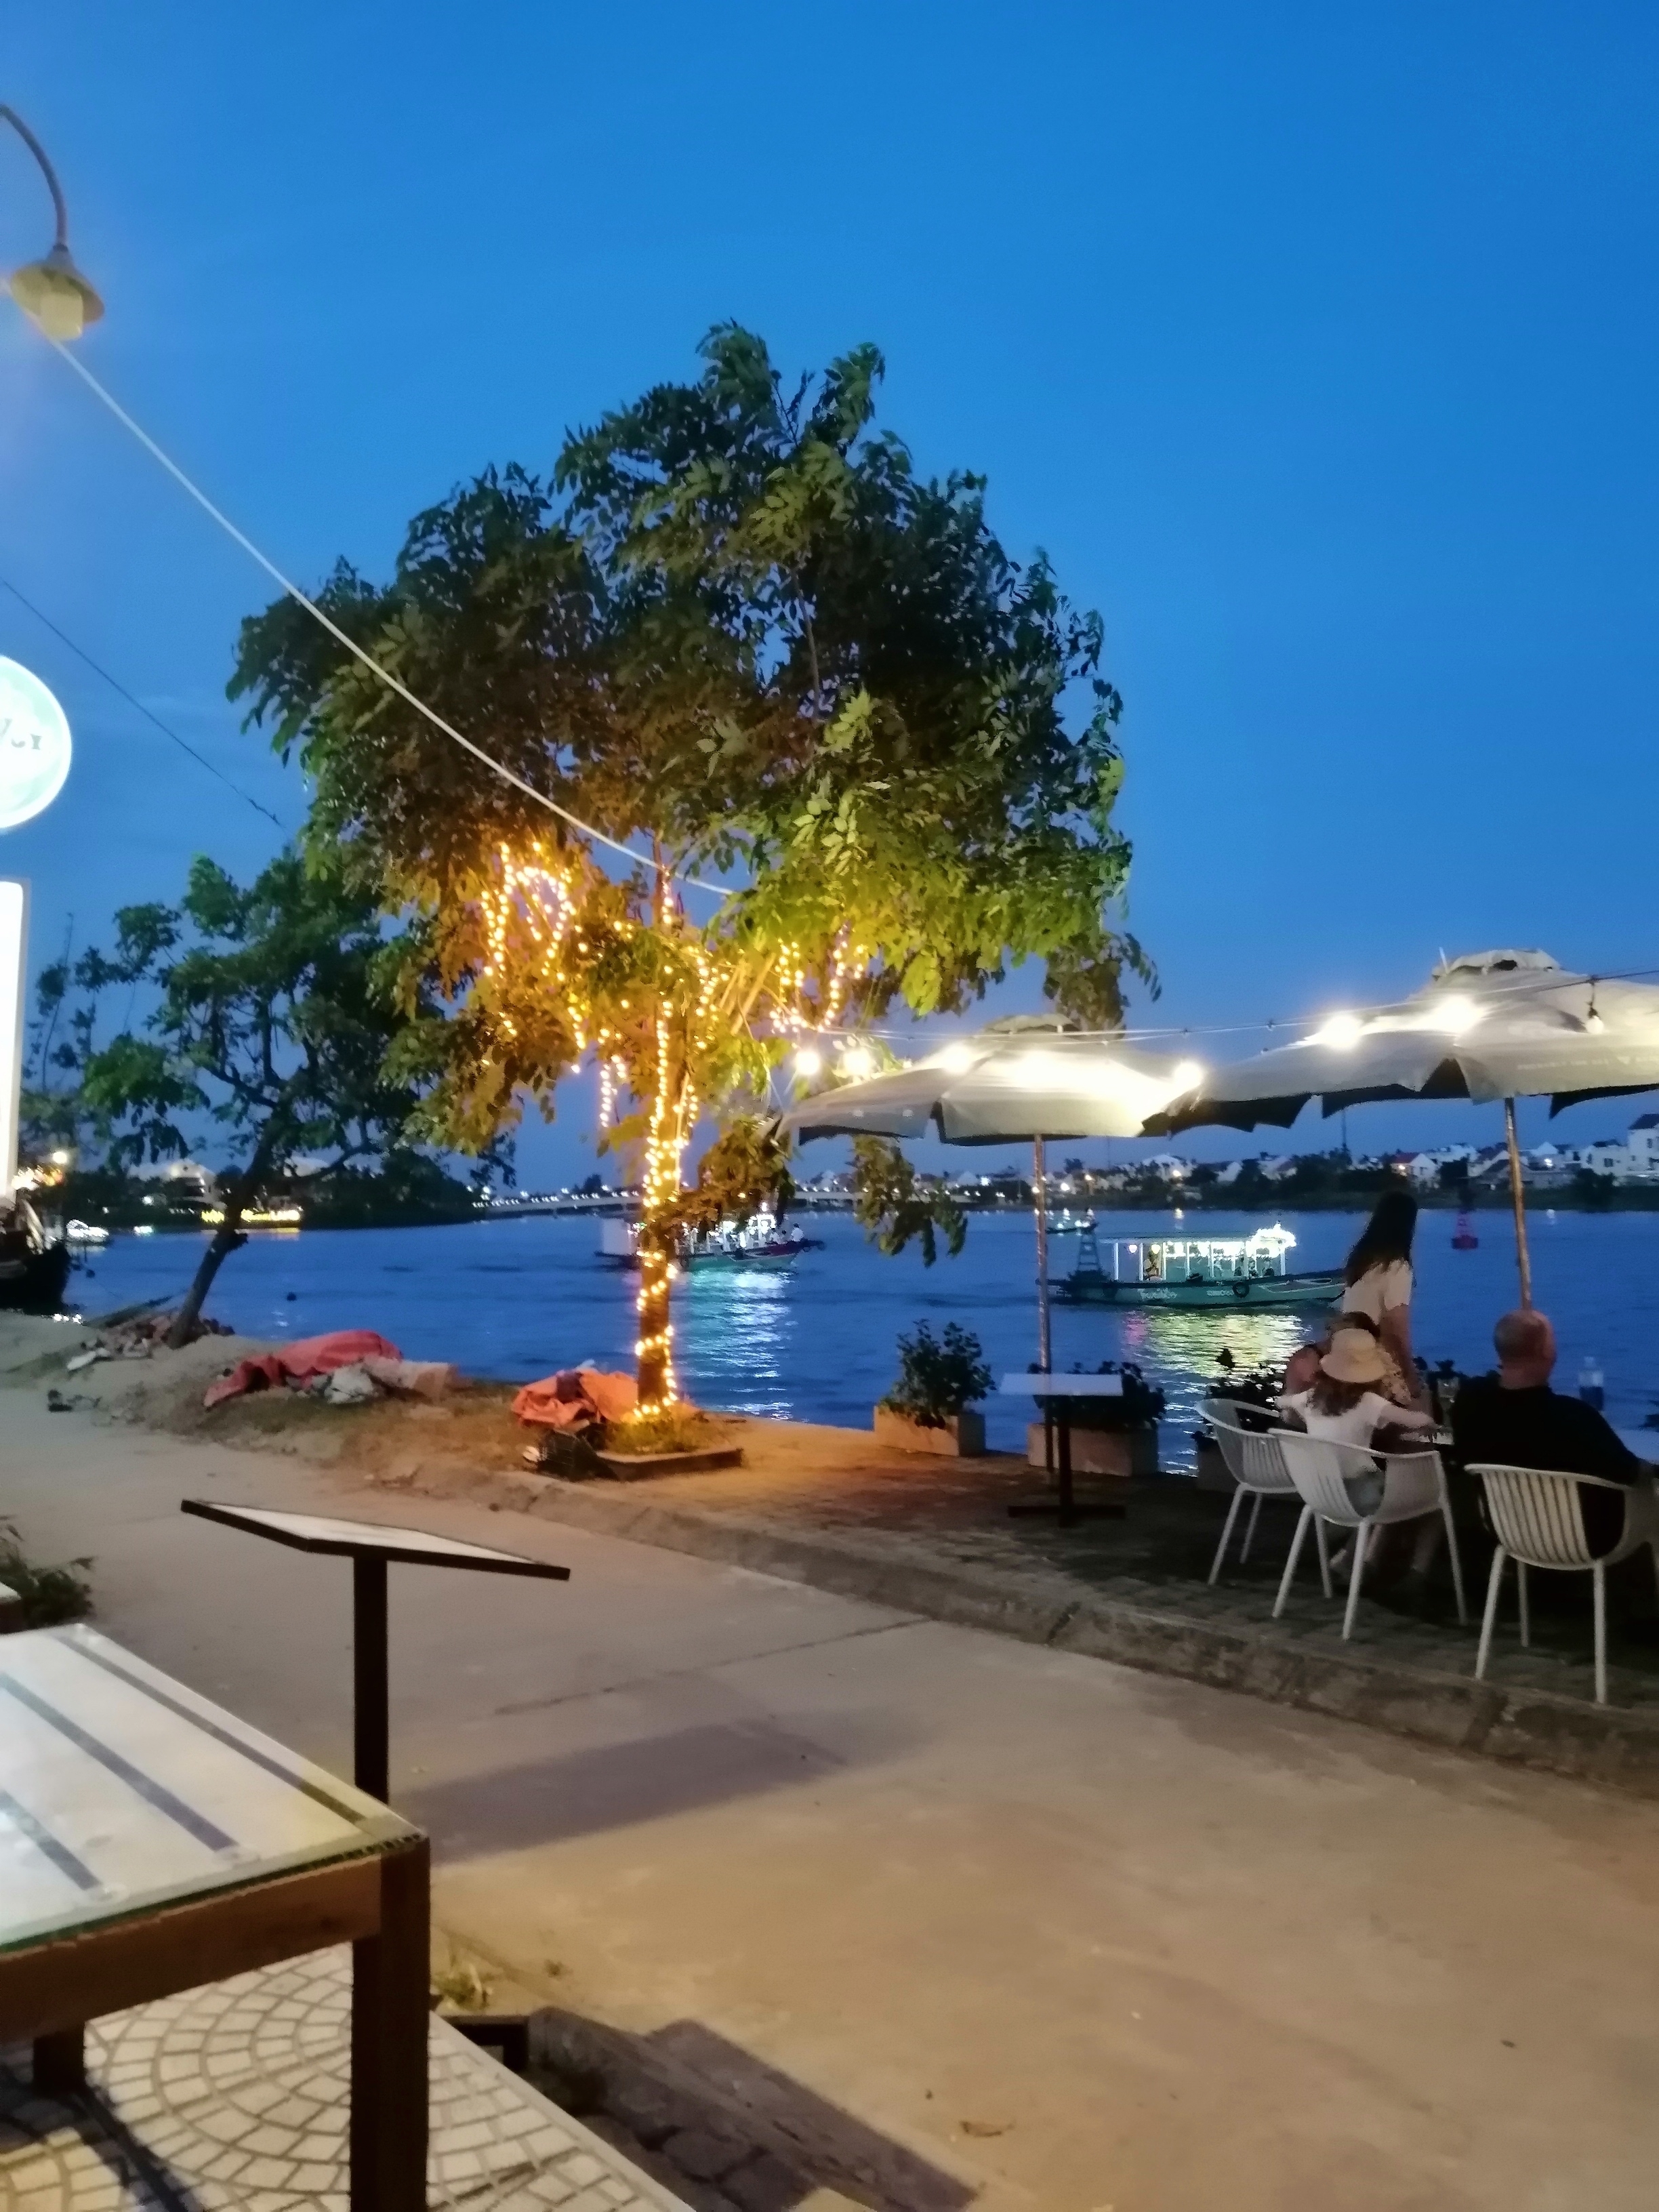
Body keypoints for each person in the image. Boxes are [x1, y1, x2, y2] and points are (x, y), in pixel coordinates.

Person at [1452, 1309, 1644, 1555]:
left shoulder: (1471, 1401)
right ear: (1546, 1352)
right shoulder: (1572, 1416)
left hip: (1506, 1532)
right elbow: (1628, 1473)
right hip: (1587, 1541)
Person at [1341, 1189, 1423, 1406]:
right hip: (1375, 1362)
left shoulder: (1362, 1264)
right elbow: (1396, 1327)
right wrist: (1410, 1375)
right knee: (1421, 1409)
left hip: (1347, 1356)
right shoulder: (1396, 1267)